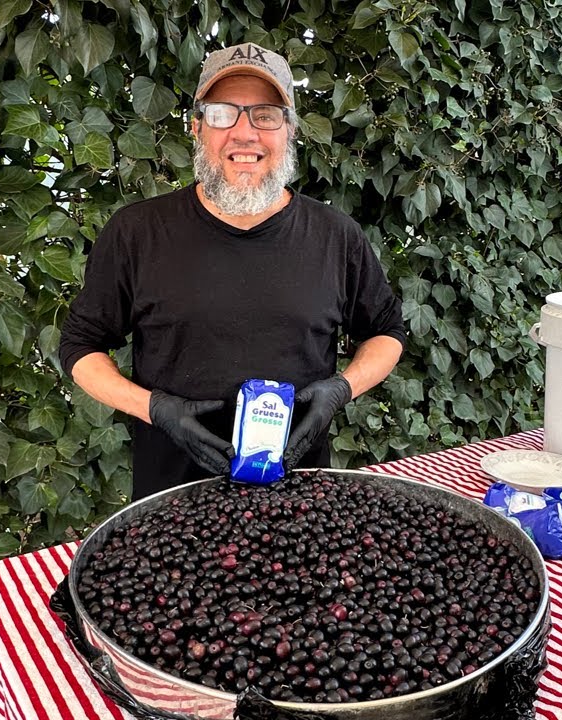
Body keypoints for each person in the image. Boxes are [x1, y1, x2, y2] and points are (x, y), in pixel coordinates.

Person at [58, 42, 406, 500]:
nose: (245, 134)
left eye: (265, 115)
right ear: (197, 128)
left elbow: (386, 332)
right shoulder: (137, 232)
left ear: (290, 131)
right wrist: (155, 409)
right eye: (223, 113)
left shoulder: (336, 236)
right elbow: (80, 346)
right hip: (171, 498)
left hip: (299, 493)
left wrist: (340, 391)